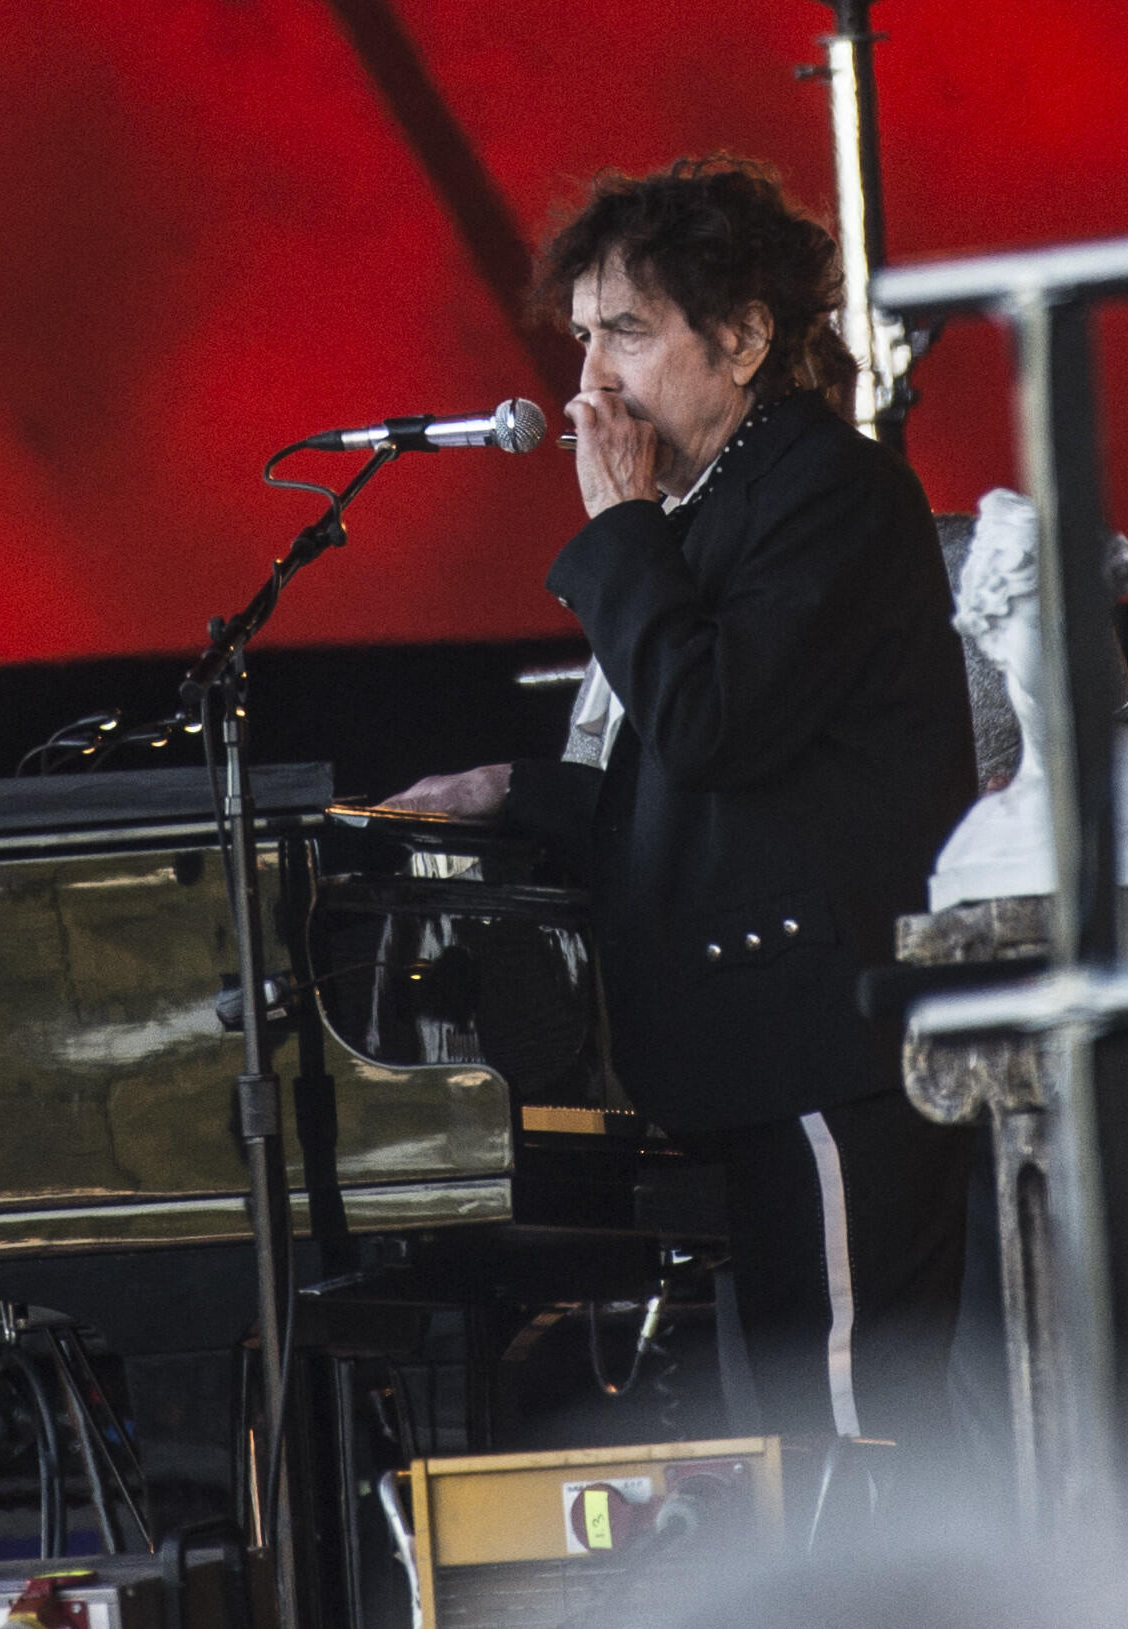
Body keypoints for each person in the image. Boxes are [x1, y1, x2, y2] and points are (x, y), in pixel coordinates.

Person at [389, 157, 978, 1464]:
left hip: (832, 1043)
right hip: (754, 1059)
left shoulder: (823, 488)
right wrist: (513, 790)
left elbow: (717, 722)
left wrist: (619, 529)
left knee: (851, 1430)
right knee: (782, 1435)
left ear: (749, 336)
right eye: (585, 333)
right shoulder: (717, 508)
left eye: (632, 333)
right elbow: (701, 771)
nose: (591, 377)